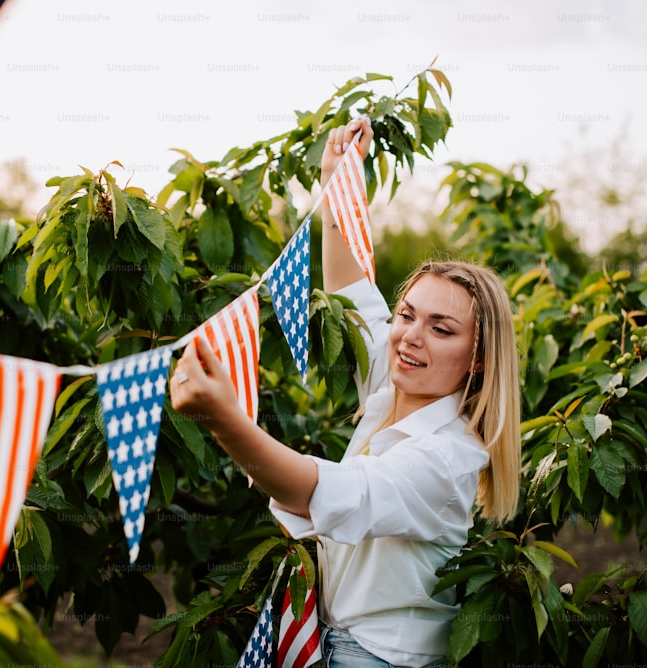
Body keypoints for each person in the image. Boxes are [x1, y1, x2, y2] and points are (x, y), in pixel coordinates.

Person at [170, 117, 521, 668]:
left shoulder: (445, 458)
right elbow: (352, 293)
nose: (409, 335)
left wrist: (224, 418)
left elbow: (324, 490)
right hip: (330, 636)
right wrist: (337, 183)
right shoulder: (397, 377)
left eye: (441, 328)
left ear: (477, 358)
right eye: (406, 315)